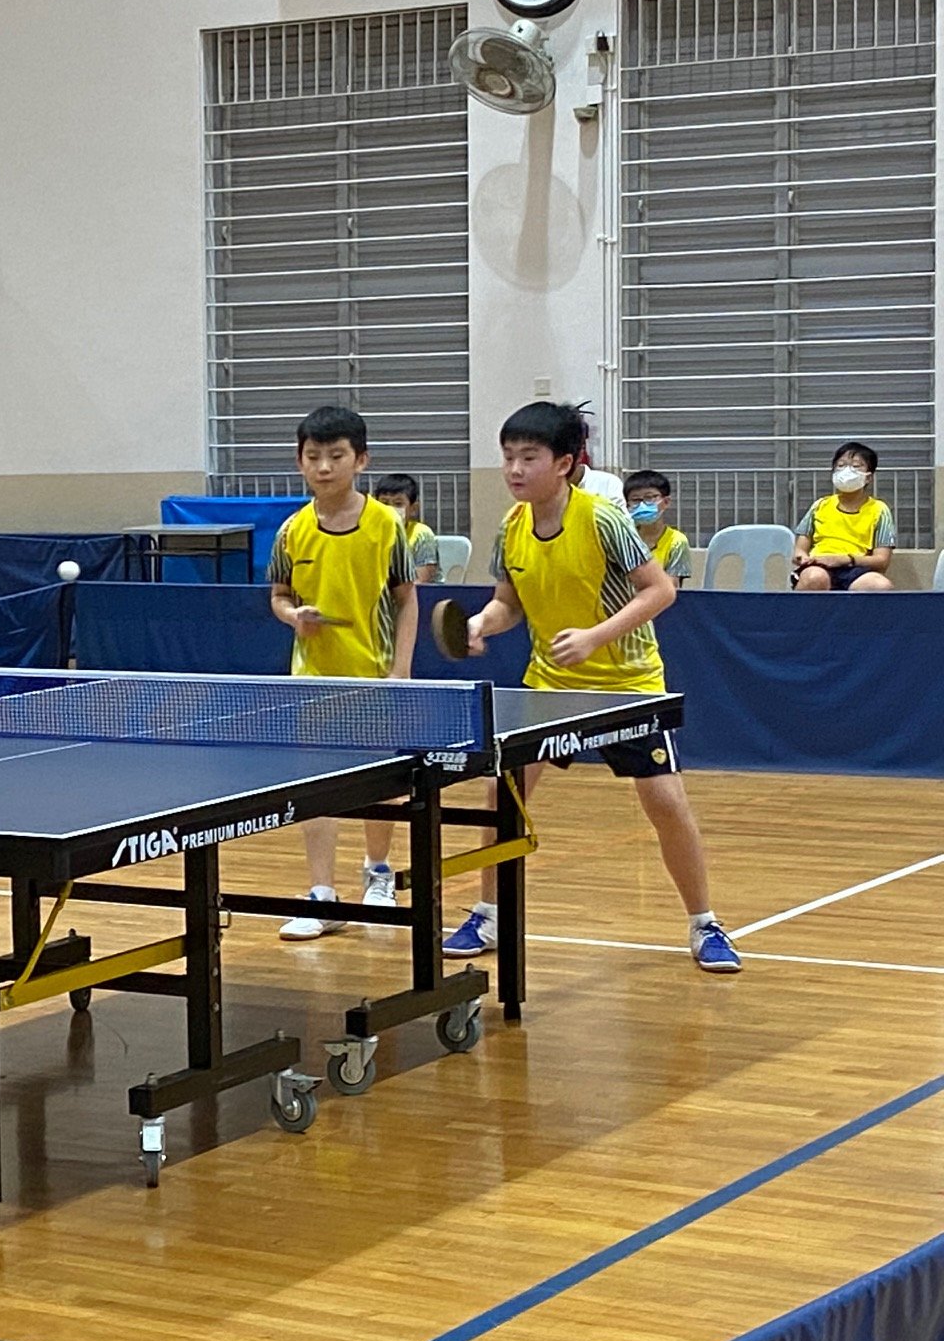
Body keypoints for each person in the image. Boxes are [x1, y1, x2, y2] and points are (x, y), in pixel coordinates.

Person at [442, 402, 740, 974]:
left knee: (665, 802)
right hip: (549, 685)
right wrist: (481, 623)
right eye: (508, 457)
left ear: (565, 463)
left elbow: (659, 592)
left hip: (624, 684)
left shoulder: (603, 519)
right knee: (504, 796)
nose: (515, 470)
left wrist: (595, 637)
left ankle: (705, 924)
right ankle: (490, 912)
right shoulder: (510, 528)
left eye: (529, 457)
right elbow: (509, 604)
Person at [266, 406, 417, 939]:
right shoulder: (291, 531)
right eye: (314, 457)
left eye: (336, 456)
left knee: (383, 786)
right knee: (317, 787)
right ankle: (321, 894)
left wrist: (400, 671)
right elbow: (279, 597)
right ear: (300, 461)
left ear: (361, 460)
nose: (324, 467)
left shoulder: (385, 525)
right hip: (313, 681)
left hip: (374, 677)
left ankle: (378, 875)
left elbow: (406, 600)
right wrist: (293, 617)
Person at [793, 442, 895, 592]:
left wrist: (845, 559)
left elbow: (882, 560)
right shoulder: (820, 505)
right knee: (815, 578)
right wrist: (802, 557)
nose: (847, 471)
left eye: (856, 466)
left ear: (869, 477)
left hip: (855, 568)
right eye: (841, 465)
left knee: (881, 586)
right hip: (819, 566)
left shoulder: (879, 510)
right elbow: (799, 550)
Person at [622, 470, 691, 584]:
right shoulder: (624, 537)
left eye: (649, 498)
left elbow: (672, 586)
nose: (642, 505)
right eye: (635, 500)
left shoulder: (677, 541)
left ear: (666, 502)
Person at [371, 474, 442, 584]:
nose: (390, 509)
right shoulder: (369, 533)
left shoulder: (422, 535)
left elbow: (420, 581)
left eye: (398, 504)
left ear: (413, 509)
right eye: (384, 503)